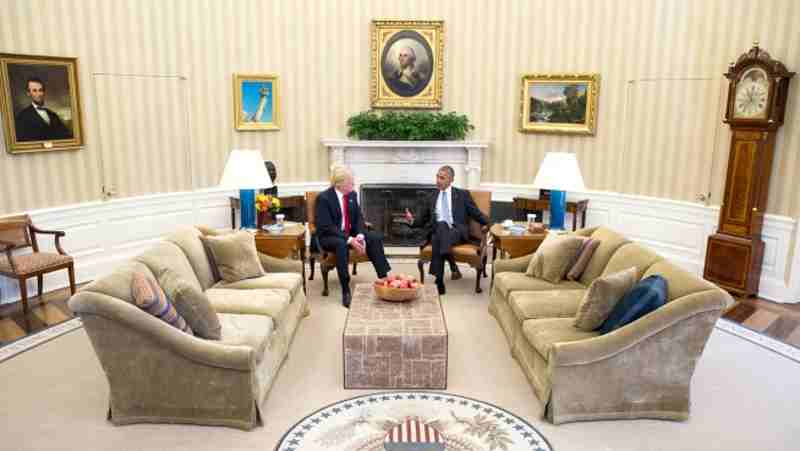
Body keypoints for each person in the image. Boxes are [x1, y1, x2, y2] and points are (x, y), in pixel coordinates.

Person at [315, 165, 391, 308]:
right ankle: (345, 290)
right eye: (350, 182)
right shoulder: (324, 198)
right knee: (341, 244)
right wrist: (350, 240)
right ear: (339, 184)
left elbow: (358, 219)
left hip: (349, 234)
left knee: (374, 238)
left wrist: (360, 235)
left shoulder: (352, 195)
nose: (353, 184)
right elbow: (327, 227)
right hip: (329, 237)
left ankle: (384, 278)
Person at [405, 166, 489, 295]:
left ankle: (440, 277)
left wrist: (489, 224)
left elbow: (476, 213)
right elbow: (422, 219)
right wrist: (412, 221)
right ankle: (445, 273)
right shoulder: (431, 196)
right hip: (437, 231)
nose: (438, 180)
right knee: (440, 228)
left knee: (440, 231)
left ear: (451, 179)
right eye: (437, 176)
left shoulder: (462, 195)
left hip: (456, 231)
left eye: (442, 178)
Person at [14, 77, 73, 142]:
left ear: (44, 92)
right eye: (34, 91)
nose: (39, 94)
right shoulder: (22, 116)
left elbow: (66, 136)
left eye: (40, 90)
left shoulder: (52, 115)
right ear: (28, 93)